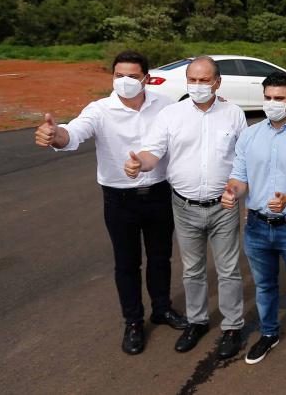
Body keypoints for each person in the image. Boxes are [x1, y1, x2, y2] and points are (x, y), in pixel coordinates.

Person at [34, 50, 187, 356]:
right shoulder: (100, 109)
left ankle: (161, 308)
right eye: (119, 76)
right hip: (120, 200)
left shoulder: (166, 106)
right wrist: (55, 136)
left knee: (160, 257)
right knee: (127, 263)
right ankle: (133, 322)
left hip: (159, 193)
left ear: (146, 78)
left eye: (132, 76)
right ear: (112, 77)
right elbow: (73, 133)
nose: (125, 81)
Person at [125, 57, 248, 359]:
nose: (197, 85)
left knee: (229, 270)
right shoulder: (171, 115)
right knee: (192, 270)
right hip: (184, 206)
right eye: (192, 79)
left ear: (217, 82)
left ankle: (232, 326)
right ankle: (197, 321)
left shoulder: (234, 114)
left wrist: (239, 192)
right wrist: (140, 163)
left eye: (204, 80)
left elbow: (244, 161)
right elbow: (153, 152)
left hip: (223, 206)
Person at [221, 71, 286, 370]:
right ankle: (269, 334)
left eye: (278, 98)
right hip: (256, 225)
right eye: (267, 98)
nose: (271, 103)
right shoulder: (250, 135)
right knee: (264, 286)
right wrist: (232, 193)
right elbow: (239, 179)